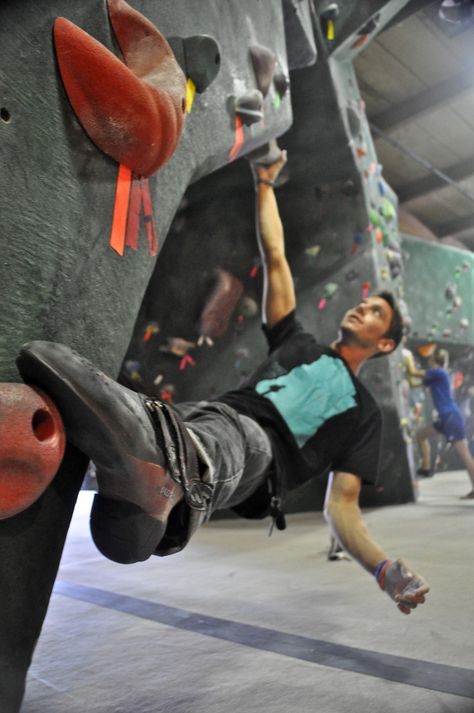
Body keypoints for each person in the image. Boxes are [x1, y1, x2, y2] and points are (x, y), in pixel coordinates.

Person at [16, 149, 429, 615]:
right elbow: (275, 258)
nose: (362, 307)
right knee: (164, 468)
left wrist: (382, 569)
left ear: (387, 345)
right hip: (213, 417)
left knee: (234, 438)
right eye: (366, 302)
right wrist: (266, 184)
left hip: (258, 455)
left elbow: (344, 508)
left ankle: (171, 470)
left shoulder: (363, 414)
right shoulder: (298, 342)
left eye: (377, 312)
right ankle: (153, 509)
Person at [414, 348, 474, 499]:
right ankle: (426, 468)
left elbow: (415, 372)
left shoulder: (440, 372)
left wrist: (406, 359)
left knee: (465, 455)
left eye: (430, 360)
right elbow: (415, 382)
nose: (428, 362)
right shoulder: (435, 376)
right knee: (421, 435)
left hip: (451, 417)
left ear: (434, 361)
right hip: (445, 418)